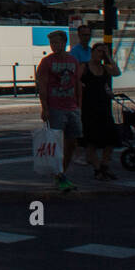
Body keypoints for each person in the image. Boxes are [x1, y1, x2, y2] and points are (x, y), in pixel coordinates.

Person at [36, 29, 83, 191]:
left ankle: (63, 172)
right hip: (55, 106)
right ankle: (59, 175)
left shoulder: (73, 61)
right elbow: (42, 85)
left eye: (57, 42)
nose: (54, 46)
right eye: (52, 43)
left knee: (72, 142)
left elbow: (77, 83)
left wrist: (79, 105)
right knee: (56, 143)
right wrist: (45, 107)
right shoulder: (46, 62)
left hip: (72, 106)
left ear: (64, 42)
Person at [82, 39, 122, 180]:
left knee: (110, 139)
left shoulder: (105, 68)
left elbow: (117, 72)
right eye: (99, 51)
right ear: (92, 52)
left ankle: (104, 166)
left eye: (103, 52)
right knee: (91, 140)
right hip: (88, 108)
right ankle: (98, 168)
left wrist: (108, 57)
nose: (101, 54)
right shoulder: (84, 67)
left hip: (104, 107)